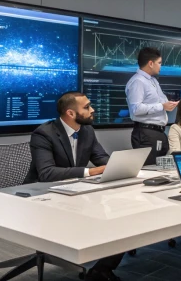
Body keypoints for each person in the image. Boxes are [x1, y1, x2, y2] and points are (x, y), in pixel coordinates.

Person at [23, 92, 124, 281]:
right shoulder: (44, 134)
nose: (92, 110)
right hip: (42, 197)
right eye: (86, 107)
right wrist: (90, 172)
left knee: (121, 217)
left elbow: (101, 159)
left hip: (75, 192)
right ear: (70, 113)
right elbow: (47, 174)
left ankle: (102, 270)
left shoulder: (87, 131)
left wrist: (119, 166)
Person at [125, 47, 178, 165]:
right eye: (159, 63)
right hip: (146, 133)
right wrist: (162, 106)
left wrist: (169, 104)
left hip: (158, 132)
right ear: (150, 63)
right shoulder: (138, 82)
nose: (161, 66)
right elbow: (136, 109)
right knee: (150, 170)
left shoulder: (153, 81)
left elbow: (161, 100)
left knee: (161, 171)